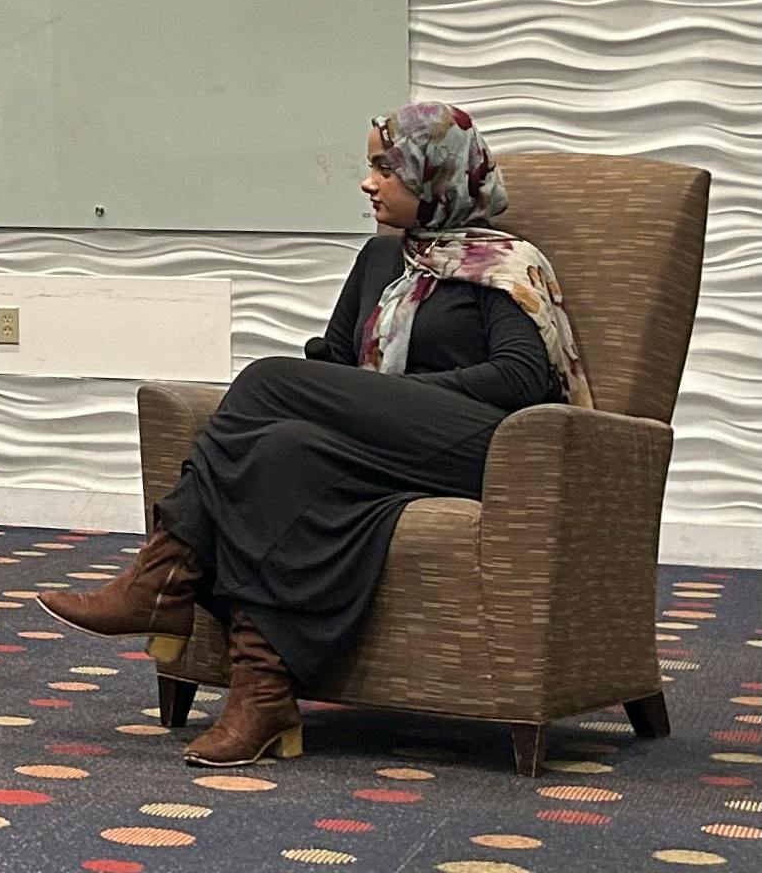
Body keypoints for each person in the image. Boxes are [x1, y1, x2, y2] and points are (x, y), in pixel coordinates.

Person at [38, 103, 586, 766]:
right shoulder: (380, 258)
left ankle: (162, 581)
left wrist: (392, 396)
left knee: (266, 379)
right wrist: (361, 398)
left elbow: (520, 378)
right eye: (370, 167)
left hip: (478, 448)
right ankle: (263, 693)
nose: (367, 182)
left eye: (386, 168)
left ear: (433, 174)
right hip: (378, 448)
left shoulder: (504, 264)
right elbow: (337, 362)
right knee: (277, 452)